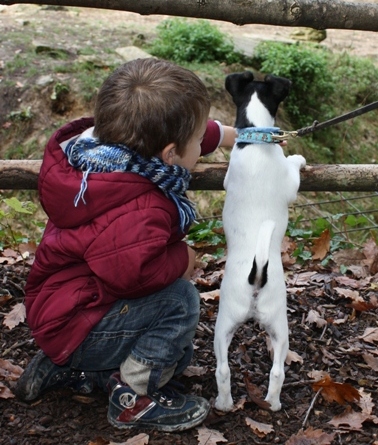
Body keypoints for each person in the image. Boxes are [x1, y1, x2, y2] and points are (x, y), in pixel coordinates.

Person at [15, 58, 236, 432]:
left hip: (59, 309)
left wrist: (233, 135)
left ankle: (63, 365)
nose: (203, 143)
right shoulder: (143, 204)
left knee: (170, 334)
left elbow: (174, 133)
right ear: (169, 154)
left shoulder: (95, 157)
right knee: (179, 303)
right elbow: (133, 278)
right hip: (81, 319)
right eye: (200, 140)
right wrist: (183, 258)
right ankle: (133, 395)